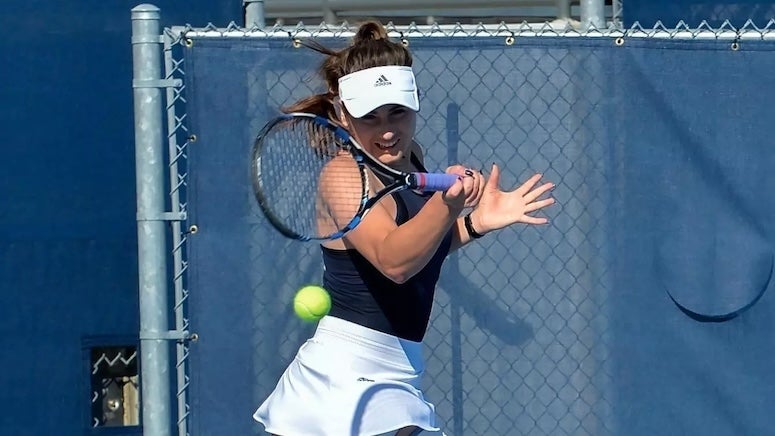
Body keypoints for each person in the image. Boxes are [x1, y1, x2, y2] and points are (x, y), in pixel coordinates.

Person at [254, 21, 555, 436]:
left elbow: (420, 248)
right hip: (347, 375)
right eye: (370, 117)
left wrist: (475, 222)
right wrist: (445, 206)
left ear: (415, 103)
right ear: (342, 114)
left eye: (397, 110)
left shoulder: (409, 154)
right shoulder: (343, 177)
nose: (388, 129)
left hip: (396, 367)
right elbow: (394, 262)